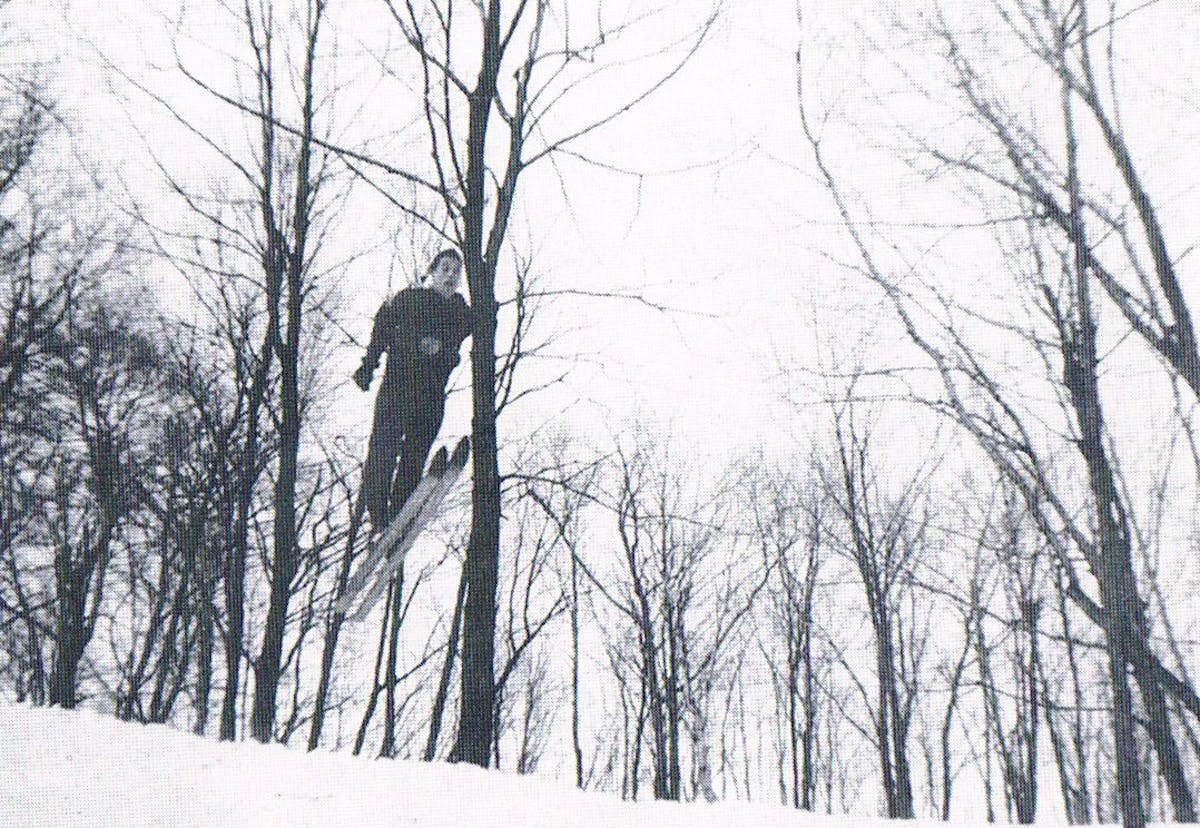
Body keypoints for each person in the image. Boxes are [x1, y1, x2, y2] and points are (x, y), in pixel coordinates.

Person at [354, 249, 471, 533]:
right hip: (398, 388)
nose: (450, 276)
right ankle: (378, 513)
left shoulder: (460, 313)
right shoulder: (411, 299)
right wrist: (368, 365)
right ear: (432, 272)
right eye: (444, 269)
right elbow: (383, 323)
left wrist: (488, 311)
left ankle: (399, 514)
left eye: (456, 272)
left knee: (414, 456)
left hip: (430, 397)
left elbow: (479, 324)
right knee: (383, 450)